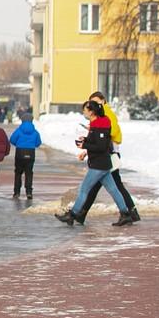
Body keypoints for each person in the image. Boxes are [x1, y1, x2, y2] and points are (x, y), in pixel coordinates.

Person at [57, 99, 134, 227]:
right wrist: (86, 139)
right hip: (102, 164)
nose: (84, 112)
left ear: (92, 112)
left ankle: (72, 214)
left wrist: (84, 145)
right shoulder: (97, 124)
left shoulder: (100, 125)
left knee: (84, 189)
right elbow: (98, 141)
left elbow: (101, 146)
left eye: (85, 110)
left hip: (99, 165)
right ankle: (125, 214)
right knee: (113, 190)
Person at [77, 91, 140, 222]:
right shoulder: (101, 115)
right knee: (110, 186)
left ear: (103, 101)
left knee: (104, 186)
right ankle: (130, 212)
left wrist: (91, 142)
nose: (94, 104)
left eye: (96, 102)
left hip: (109, 155)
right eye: (92, 102)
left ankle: (80, 214)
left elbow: (109, 135)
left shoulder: (107, 114)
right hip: (106, 154)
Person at [9, 111, 42, 198]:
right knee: (29, 173)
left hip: (20, 152)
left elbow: (12, 139)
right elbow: (38, 143)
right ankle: (29, 192)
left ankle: (17, 192)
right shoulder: (35, 132)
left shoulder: (19, 130)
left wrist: (18, 144)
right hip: (31, 152)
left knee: (18, 172)